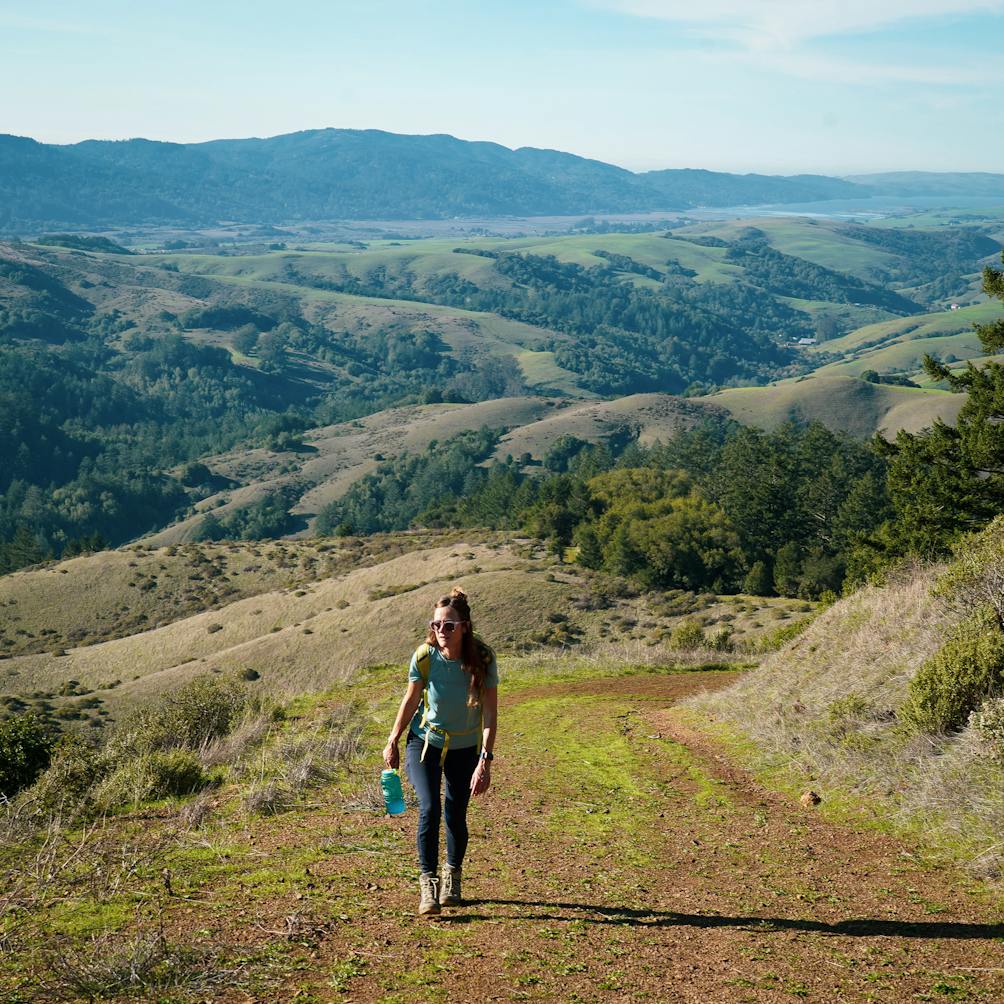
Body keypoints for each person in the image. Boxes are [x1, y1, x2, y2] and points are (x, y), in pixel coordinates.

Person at [383, 588, 498, 916]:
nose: (441, 632)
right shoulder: (424, 655)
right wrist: (393, 739)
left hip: (465, 747)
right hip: (425, 743)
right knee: (430, 807)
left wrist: (484, 761)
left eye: (448, 626)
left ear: (464, 626)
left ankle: (452, 876)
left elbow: (490, 715)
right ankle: (428, 884)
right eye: (435, 625)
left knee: (455, 814)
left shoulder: (483, 658)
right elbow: (410, 701)